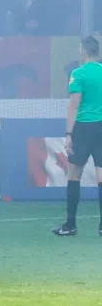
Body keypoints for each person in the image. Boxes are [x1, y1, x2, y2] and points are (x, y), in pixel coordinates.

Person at [55, 35, 102, 236]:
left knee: (74, 175)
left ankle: (70, 225)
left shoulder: (78, 73)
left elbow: (74, 104)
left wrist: (68, 133)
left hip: (83, 128)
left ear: (83, 50)